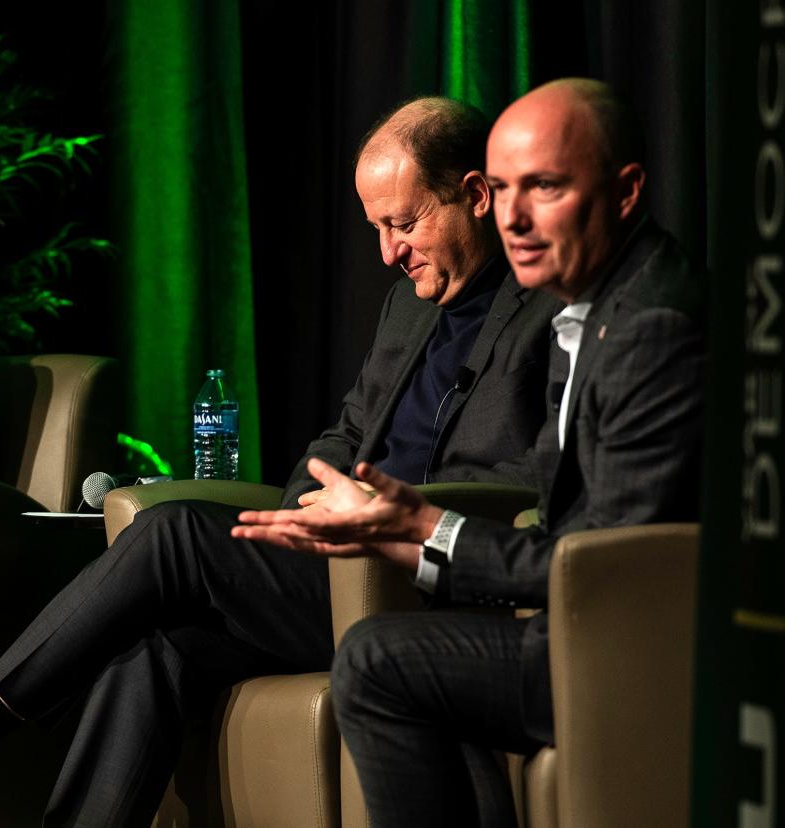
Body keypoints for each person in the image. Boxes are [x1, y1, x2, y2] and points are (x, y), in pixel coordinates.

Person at [0, 97, 558, 827]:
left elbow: (531, 491)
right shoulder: (408, 308)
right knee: (159, 643)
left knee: (171, 534)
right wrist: (297, 513)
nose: (387, 252)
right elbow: (343, 433)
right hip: (332, 561)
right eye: (376, 228)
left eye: (404, 224)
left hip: (421, 580)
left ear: (476, 195)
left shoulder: (547, 306)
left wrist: (383, 520)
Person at [232, 78, 706, 826]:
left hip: (623, 652)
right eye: (507, 188)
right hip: (573, 621)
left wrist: (423, 529)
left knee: (378, 660)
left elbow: (606, 568)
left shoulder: (651, 327)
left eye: (544, 188)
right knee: (391, 654)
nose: (513, 217)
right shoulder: (591, 301)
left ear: (625, 192)